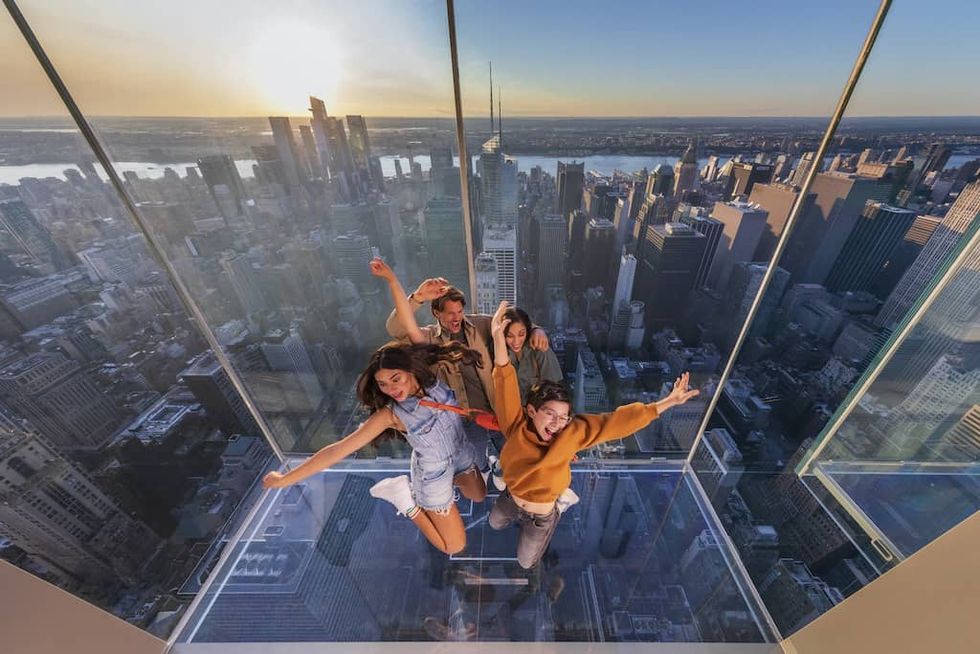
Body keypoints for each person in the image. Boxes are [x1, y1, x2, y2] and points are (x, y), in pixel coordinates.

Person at [261, 260, 487, 556]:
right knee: (454, 546)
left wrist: (393, 280)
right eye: (383, 385)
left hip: (459, 451)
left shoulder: (429, 377)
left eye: (395, 378)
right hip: (432, 475)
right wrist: (284, 479)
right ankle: (404, 500)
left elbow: (407, 323)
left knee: (479, 495)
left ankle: (451, 492)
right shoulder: (392, 415)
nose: (392, 388)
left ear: (410, 371)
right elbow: (337, 450)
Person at [487, 301, 700, 569]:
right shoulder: (515, 424)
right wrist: (497, 337)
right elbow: (503, 378)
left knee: (526, 562)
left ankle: (558, 507)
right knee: (493, 522)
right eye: (550, 414)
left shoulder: (571, 434)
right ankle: (530, 496)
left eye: (564, 417)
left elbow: (616, 423)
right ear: (531, 411)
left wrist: (665, 403)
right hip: (512, 497)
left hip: (541, 516)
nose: (557, 424)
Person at [385, 277, 549, 472]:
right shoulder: (428, 337)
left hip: (499, 409)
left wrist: (538, 330)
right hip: (466, 419)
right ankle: (488, 473)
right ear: (436, 313)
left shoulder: (480, 324)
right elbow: (395, 328)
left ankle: (502, 473)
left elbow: (515, 322)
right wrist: (418, 297)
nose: (456, 318)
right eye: (450, 313)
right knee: (475, 464)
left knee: (516, 457)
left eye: (460, 312)